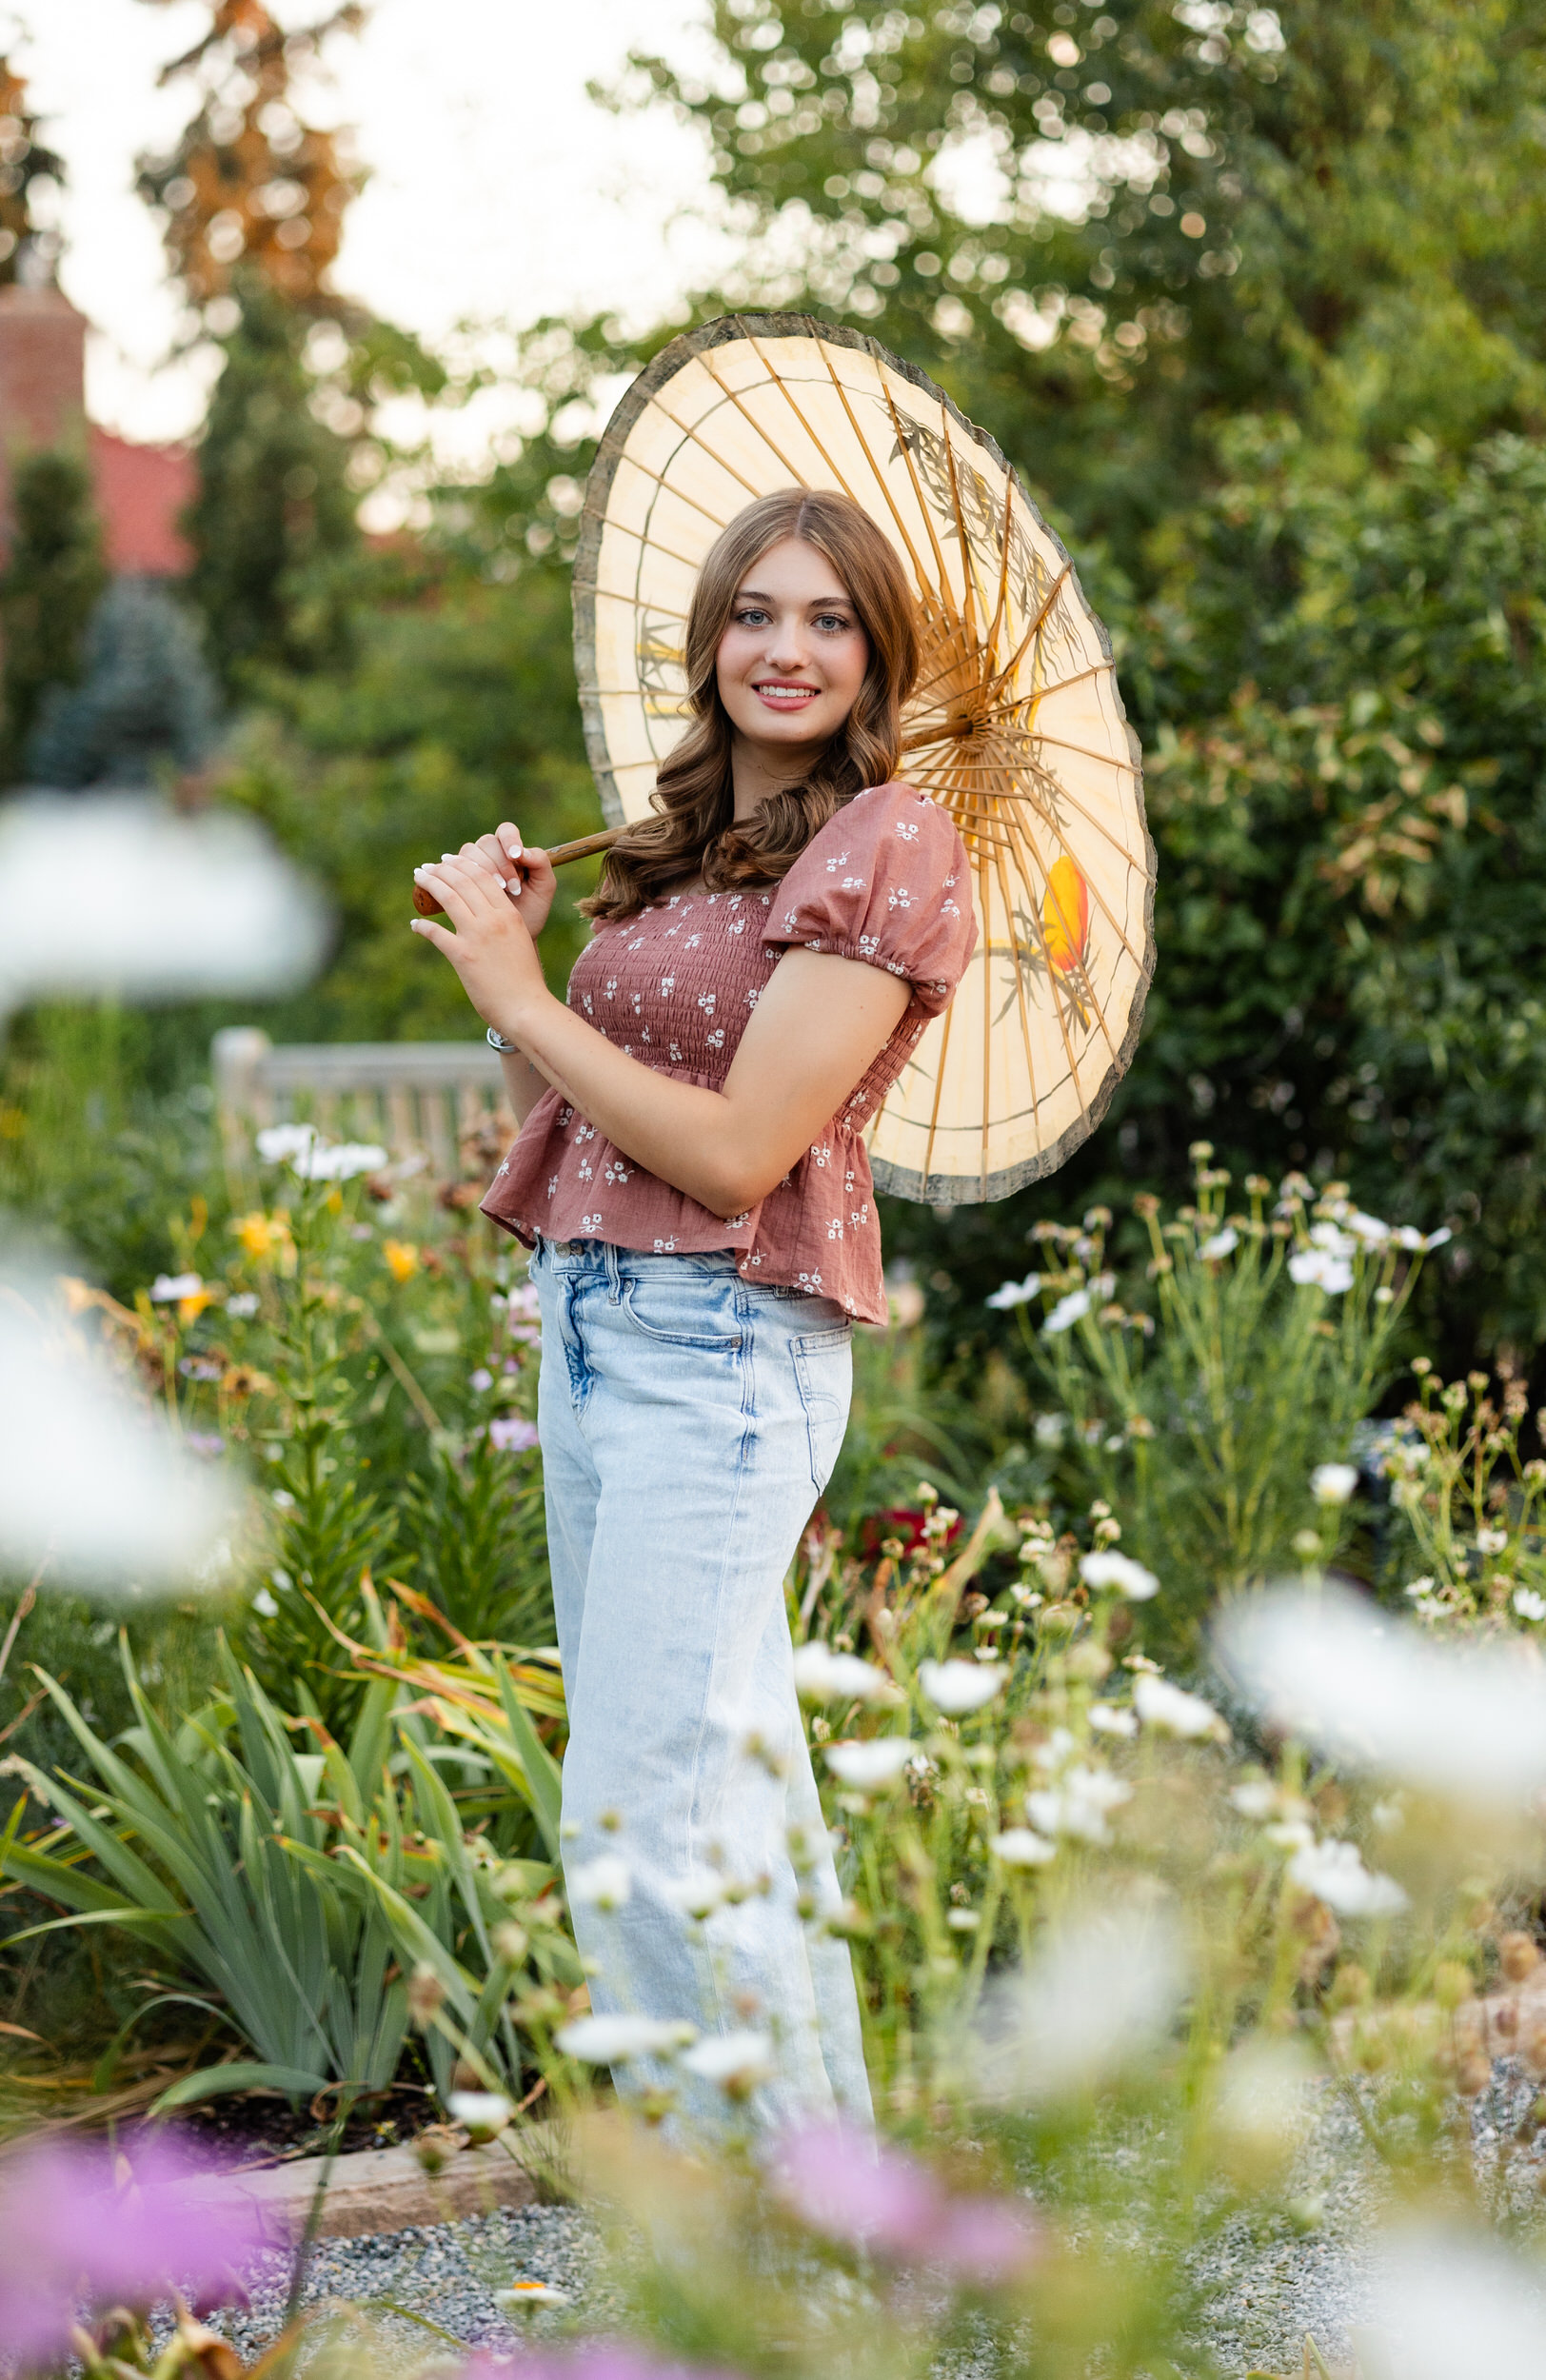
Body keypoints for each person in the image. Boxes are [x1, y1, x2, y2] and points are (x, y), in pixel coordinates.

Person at [410, 487, 976, 2134]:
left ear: (874, 658)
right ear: (707, 635)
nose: (783, 649)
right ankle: (820, 2240)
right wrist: (518, 966)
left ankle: (736, 2253)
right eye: (754, 613)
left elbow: (734, 1156)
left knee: (641, 1824)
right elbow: (588, 1116)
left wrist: (520, 993)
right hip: (593, 1336)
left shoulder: (890, 843)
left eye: (827, 620)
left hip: (721, 1348)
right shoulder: (673, 851)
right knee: (734, 1802)